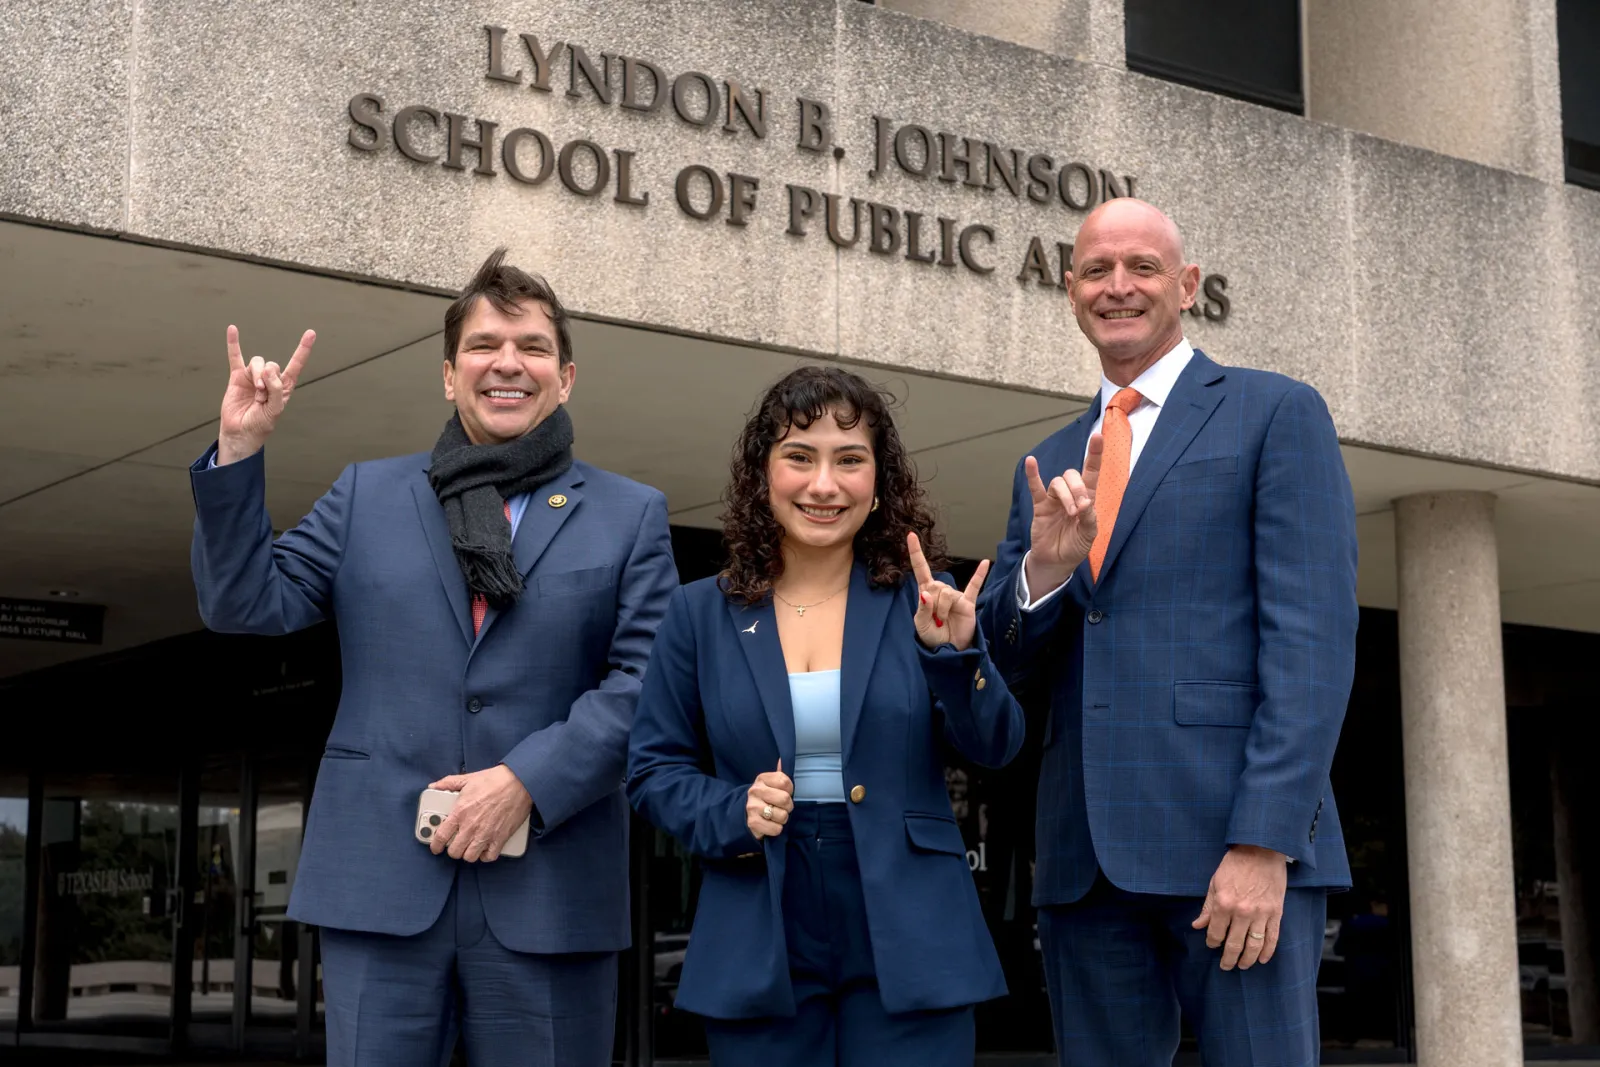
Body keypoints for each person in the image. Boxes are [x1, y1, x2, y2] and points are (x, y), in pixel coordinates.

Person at [188, 249, 677, 1067]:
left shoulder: (631, 515)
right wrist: (238, 453)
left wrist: (525, 781)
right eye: (485, 345)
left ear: (567, 376)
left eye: (532, 346)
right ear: (449, 376)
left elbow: (645, 685)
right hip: (382, 888)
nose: (508, 364)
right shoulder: (364, 496)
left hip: (549, 894)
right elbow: (246, 604)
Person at [978, 198, 1358, 1067]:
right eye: (1098, 271)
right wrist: (1042, 574)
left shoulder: (1275, 413)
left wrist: (1264, 841)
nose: (1119, 287)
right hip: (1083, 867)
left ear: (1186, 285)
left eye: (1142, 268)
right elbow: (1006, 672)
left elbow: (1311, 644)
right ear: (1070, 289)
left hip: (1232, 851)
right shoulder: (1048, 459)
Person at [627, 366, 1025, 1066]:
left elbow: (996, 747)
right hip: (761, 916)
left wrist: (958, 656)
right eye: (799, 457)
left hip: (909, 922)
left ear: (879, 481)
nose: (824, 484)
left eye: (850, 459)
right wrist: (732, 809)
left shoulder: (925, 601)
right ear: (762, 474)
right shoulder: (698, 614)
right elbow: (652, 770)